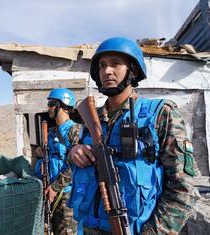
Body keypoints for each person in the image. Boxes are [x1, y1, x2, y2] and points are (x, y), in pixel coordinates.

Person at [67, 37, 197, 234]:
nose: (107, 71)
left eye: (115, 64)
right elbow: (76, 166)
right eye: (102, 66)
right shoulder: (91, 120)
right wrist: (74, 152)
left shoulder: (160, 114)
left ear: (133, 70)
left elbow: (183, 189)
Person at [35, 88, 81, 235]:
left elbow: (75, 165)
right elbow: (46, 157)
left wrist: (55, 187)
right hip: (50, 192)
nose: (48, 108)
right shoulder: (51, 132)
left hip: (67, 196)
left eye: (52, 104)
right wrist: (39, 155)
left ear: (63, 106)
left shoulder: (75, 130)